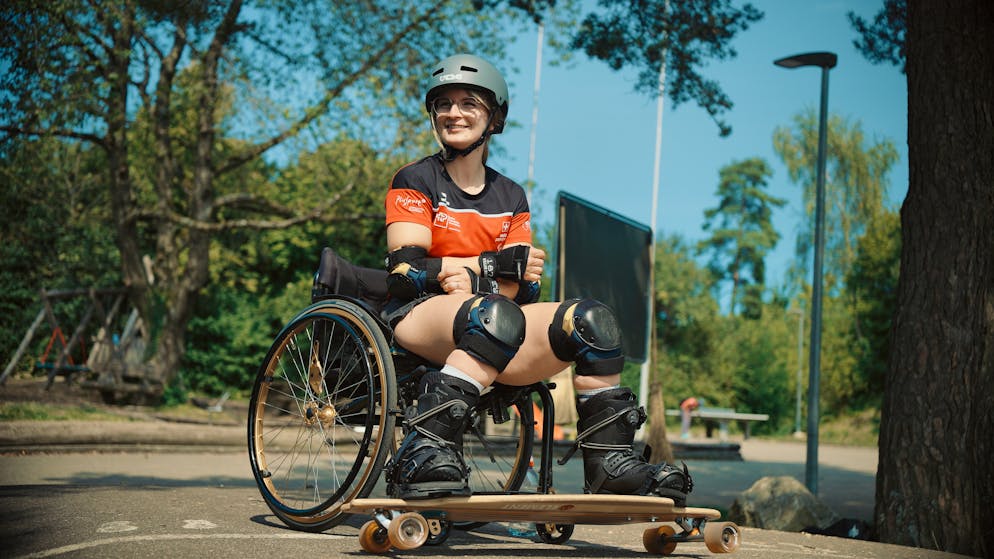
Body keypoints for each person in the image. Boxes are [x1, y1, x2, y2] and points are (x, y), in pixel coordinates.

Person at [380, 53, 694, 506]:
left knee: (592, 322)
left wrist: (468, 271)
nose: (454, 113)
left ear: (494, 118)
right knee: (493, 314)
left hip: (491, 320)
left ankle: (610, 466)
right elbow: (407, 273)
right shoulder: (414, 178)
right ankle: (423, 448)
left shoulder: (511, 195)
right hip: (416, 318)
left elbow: (522, 287)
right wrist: (486, 269)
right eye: (443, 104)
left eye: (469, 102)